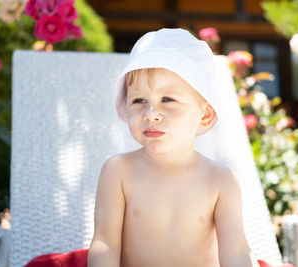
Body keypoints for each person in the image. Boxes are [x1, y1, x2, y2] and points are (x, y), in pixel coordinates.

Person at [87, 28, 260, 267]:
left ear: (205, 115)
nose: (152, 114)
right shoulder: (118, 171)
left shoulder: (219, 179)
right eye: (139, 100)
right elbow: (105, 243)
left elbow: (237, 251)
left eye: (167, 99)